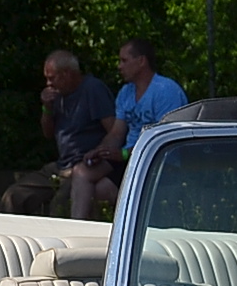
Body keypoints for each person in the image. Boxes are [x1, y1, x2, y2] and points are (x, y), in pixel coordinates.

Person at [73, 39, 188, 221]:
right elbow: (116, 133)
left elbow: (164, 137)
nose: (119, 66)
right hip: (128, 158)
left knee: (100, 190)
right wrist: (100, 151)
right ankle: (78, 227)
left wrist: (125, 154)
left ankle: (127, 225)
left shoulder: (165, 91)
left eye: (124, 61)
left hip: (158, 160)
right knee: (82, 172)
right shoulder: (125, 93)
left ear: (141, 61)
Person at [0, 50, 115, 217]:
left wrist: (98, 155)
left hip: (83, 166)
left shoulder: (93, 89)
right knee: (14, 195)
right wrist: (47, 108)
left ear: (66, 74)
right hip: (60, 166)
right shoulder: (57, 95)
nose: (48, 84)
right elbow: (48, 133)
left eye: (51, 78)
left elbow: (114, 131)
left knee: (59, 205)